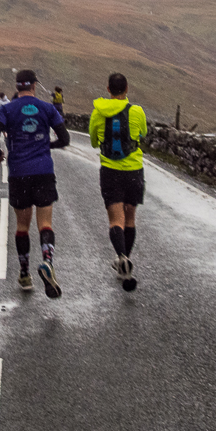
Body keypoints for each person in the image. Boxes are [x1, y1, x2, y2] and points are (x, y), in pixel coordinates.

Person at [0, 69, 69, 297]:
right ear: (34, 85)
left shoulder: (7, 109)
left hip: (18, 173)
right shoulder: (47, 108)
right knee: (45, 224)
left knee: (22, 227)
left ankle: (24, 273)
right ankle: (47, 261)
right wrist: (46, 146)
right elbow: (65, 138)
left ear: (17, 87)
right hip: (43, 171)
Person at [89, 73, 148, 291]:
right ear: (127, 89)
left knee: (116, 219)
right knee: (130, 216)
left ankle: (121, 256)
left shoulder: (98, 112)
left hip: (110, 171)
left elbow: (94, 141)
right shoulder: (137, 111)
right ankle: (126, 260)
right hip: (133, 170)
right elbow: (143, 132)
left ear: (108, 89)